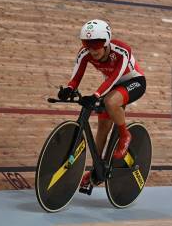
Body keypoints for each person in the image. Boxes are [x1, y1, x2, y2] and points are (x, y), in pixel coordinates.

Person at [58, 19, 146, 188]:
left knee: (110, 101)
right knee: (102, 128)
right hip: (111, 86)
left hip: (134, 82)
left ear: (106, 41)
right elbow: (76, 76)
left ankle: (125, 135)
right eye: (88, 44)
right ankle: (96, 170)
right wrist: (69, 89)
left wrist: (96, 94)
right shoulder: (85, 53)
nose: (92, 49)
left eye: (97, 44)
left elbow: (115, 78)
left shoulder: (122, 50)